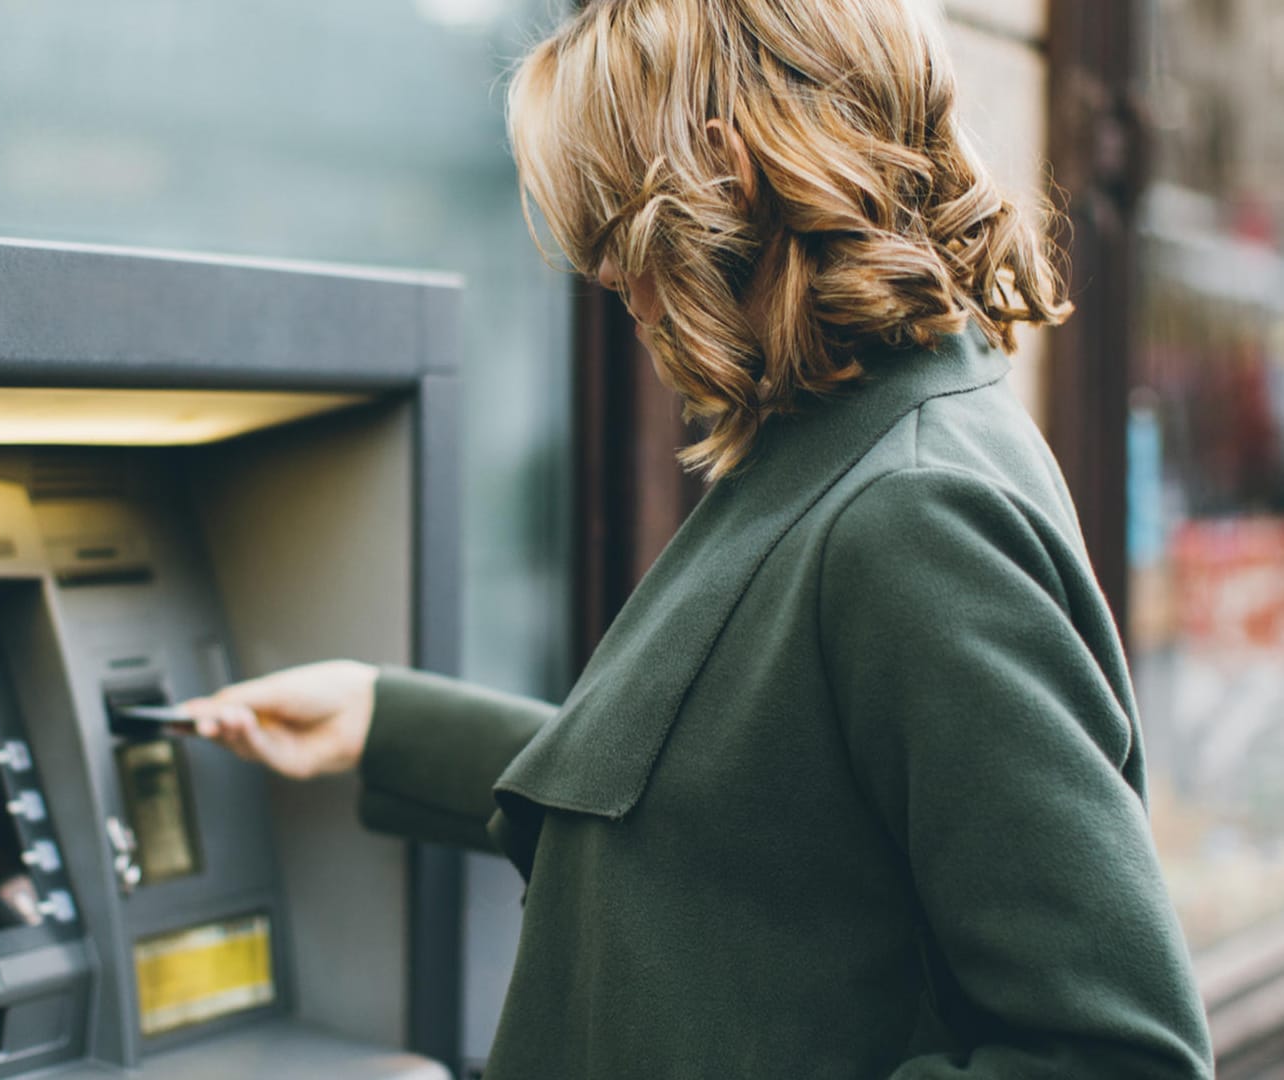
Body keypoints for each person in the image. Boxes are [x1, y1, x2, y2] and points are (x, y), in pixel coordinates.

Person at [184, 1, 1215, 1076]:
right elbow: (747, 815)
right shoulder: (846, 446)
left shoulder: (909, 511)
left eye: (613, 231)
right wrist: (391, 723)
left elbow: (1116, 1053)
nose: (611, 285)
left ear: (733, 175)